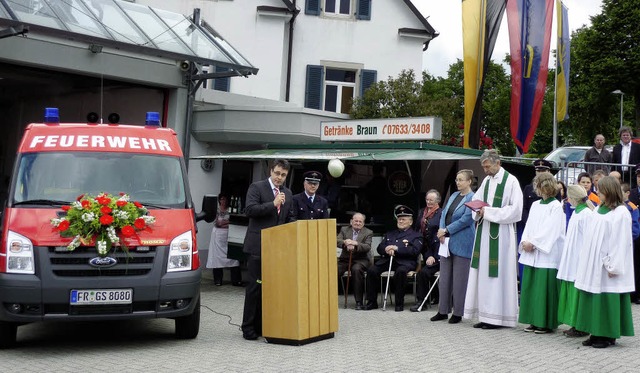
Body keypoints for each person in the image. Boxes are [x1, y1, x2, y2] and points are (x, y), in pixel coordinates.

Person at [464, 149, 523, 329]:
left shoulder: (511, 181)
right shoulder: (487, 182)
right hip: (484, 233)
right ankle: (485, 315)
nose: (485, 170)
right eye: (483, 167)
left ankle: (498, 317)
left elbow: (516, 210)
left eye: (488, 166)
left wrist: (488, 212)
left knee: (498, 275)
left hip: (501, 235)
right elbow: (477, 199)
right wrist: (476, 208)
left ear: (498, 163)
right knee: (483, 273)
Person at [573, 176, 635, 348]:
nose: (597, 192)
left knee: (607, 298)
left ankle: (607, 335)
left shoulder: (620, 213)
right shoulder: (598, 209)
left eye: (600, 189)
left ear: (609, 191)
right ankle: (595, 332)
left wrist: (612, 265)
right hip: (593, 263)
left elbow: (620, 241)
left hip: (607, 264)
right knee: (594, 297)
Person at [241, 159, 295, 341]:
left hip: (277, 250)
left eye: (283, 175)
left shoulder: (287, 193)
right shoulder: (257, 187)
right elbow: (249, 210)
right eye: (277, 173)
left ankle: (262, 325)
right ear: (271, 171)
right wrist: (273, 204)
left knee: (270, 288)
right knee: (255, 287)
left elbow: (288, 219)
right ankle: (247, 327)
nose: (279, 177)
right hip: (257, 246)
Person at [517, 173, 566, 334]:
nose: (536, 189)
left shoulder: (556, 206)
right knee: (532, 287)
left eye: (537, 185)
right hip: (532, 252)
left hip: (546, 253)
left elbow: (551, 230)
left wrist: (535, 243)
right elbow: (529, 225)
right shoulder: (536, 205)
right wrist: (525, 241)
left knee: (543, 289)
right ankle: (533, 320)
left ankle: (545, 322)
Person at [428, 169, 475, 323]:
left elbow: (466, 219)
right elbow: (444, 214)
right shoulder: (454, 195)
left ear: (469, 181)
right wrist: (442, 231)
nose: (457, 182)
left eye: (461, 180)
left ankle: (458, 313)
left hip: (462, 241)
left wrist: (447, 230)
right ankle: (443, 310)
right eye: (456, 179)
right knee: (445, 278)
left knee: (460, 279)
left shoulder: (472, 197)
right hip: (446, 242)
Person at [363, 205, 422, 312]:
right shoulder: (390, 233)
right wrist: (386, 249)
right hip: (387, 260)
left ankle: (399, 303)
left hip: (405, 262)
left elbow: (415, 251)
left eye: (404, 219)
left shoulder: (416, 235)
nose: (400, 221)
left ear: (411, 222)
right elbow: (379, 247)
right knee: (372, 271)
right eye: (399, 219)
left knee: (400, 272)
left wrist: (397, 248)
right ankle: (372, 302)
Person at [557, 185, 593, 338]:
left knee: (577, 294)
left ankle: (581, 325)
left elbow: (588, 240)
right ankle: (574, 323)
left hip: (579, 260)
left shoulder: (586, 214)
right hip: (571, 260)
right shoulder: (576, 212)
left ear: (573, 198)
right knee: (571, 293)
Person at [409, 190, 443, 311]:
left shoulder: (441, 214)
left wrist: (434, 256)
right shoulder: (421, 212)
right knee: (427, 272)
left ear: (437, 201)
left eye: (431, 200)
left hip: (438, 252)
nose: (428, 202)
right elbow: (418, 230)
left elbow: (441, 238)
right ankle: (434, 296)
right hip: (425, 249)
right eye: (427, 199)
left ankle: (421, 302)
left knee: (423, 273)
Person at [337, 212, 373, 310]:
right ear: (351, 221)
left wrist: (355, 243)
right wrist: (345, 242)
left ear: (363, 223)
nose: (357, 223)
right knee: (334, 271)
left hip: (361, 260)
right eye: (355, 221)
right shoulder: (344, 229)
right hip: (345, 259)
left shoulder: (368, 232)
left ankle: (359, 302)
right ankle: (328, 299)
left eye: (360, 221)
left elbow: (367, 246)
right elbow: (337, 240)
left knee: (356, 270)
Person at [206, 193, 243, 287]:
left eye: (225, 199)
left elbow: (233, 221)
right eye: (222, 199)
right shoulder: (216, 210)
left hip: (228, 235)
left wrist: (224, 223)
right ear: (219, 200)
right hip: (217, 236)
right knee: (217, 258)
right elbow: (217, 223)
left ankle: (236, 280)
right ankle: (218, 280)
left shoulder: (231, 210)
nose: (224, 201)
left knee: (233, 258)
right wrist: (226, 223)